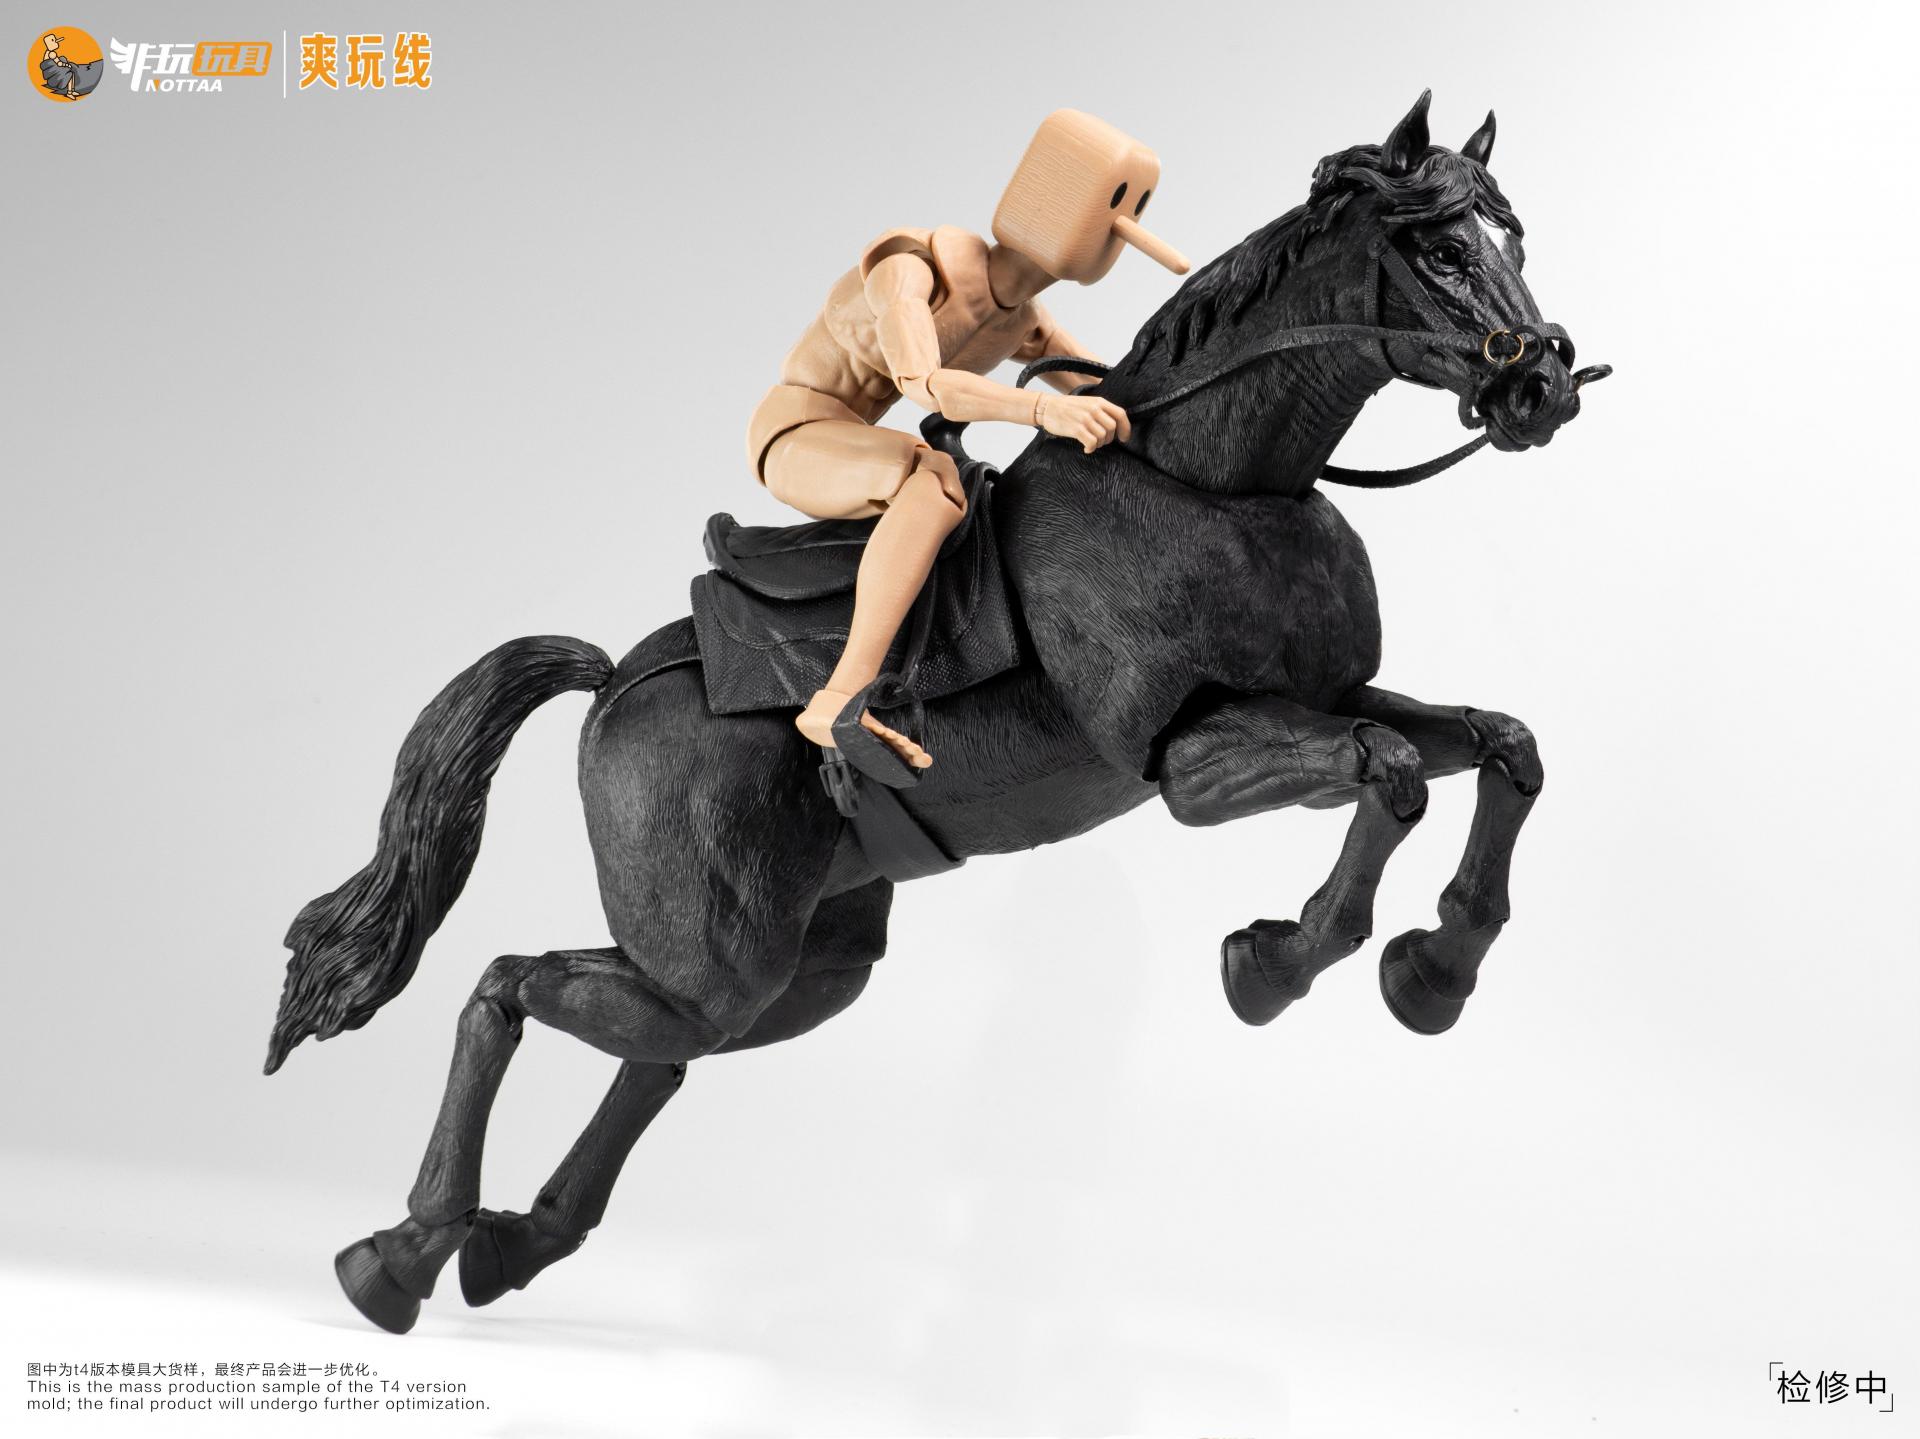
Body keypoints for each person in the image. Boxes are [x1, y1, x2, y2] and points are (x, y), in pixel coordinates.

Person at [746, 109, 1189, 774]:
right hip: (795, 432)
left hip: (851, 433)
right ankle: (838, 699)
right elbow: (923, 382)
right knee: (934, 484)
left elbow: (1111, 388)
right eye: (1112, 201)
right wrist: (1043, 408)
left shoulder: (1023, 323)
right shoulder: (912, 266)